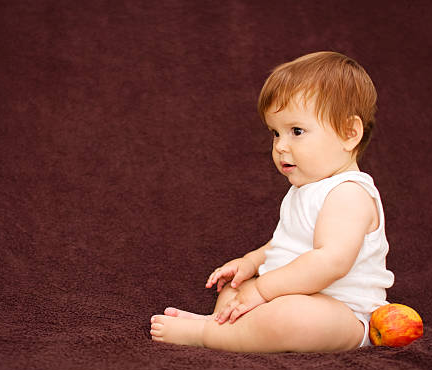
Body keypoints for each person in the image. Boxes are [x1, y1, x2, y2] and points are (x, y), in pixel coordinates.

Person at [150, 51, 394, 352]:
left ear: (349, 133)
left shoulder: (349, 194)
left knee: (292, 318)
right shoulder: (305, 189)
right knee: (236, 288)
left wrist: (264, 290)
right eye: (275, 133)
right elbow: (284, 245)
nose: (280, 146)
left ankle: (205, 334)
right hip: (291, 293)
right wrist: (250, 262)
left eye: (297, 131)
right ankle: (219, 324)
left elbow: (329, 262)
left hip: (341, 313)